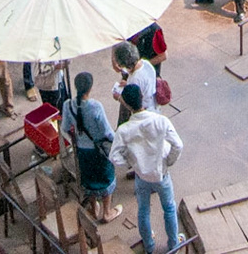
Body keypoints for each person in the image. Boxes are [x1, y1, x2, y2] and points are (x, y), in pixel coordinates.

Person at [111, 83, 183, 254]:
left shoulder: (124, 130)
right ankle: (173, 244)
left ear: (126, 105)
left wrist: (132, 162)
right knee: (169, 208)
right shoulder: (160, 121)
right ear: (142, 97)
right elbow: (178, 145)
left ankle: (149, 246)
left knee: (143, 210)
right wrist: (168, 161)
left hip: (141, 176)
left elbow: (114, 156)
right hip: (161, 174)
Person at [62, 72, 121, 223]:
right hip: (99, 151)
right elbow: (106, 131)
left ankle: (94, 207)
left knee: (89, 179)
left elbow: (65, 127)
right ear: (90, 88)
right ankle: (106, 212)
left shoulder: (68, 105)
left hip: (82, 150)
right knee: (105, 178)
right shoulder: (95, 107)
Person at [111, 40, 157, 125]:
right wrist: (127, 83)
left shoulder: (135, 79)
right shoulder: (146, 64)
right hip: (153, 107)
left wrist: (119, 97)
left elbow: (132, 106)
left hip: (143, 116)